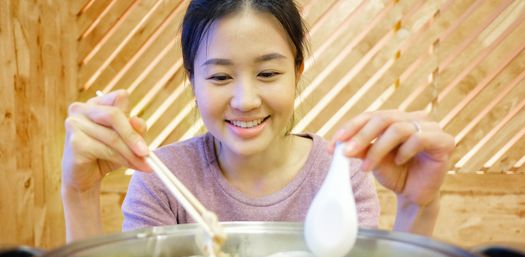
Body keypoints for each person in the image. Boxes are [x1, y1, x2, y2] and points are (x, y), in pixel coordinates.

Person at [61, 0, 455, 242]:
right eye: (219, 76)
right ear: (192, 80)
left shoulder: (339, 174)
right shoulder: (162, 178)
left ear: (297, 72)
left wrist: (418, 207)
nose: (245, 100)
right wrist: (78, 194)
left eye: (268, 74)